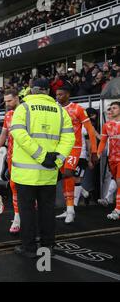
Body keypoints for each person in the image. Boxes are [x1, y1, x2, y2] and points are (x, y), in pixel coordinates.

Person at [10, 79, 75, 258]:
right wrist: (56, 161)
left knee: (27, 211)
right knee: (47, 211)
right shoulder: (60, 111)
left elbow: (18, 133)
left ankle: (29, 248)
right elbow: (69, 139)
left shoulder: (23, 108)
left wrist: (40, 156)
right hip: (49, 172)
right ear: (48, 91)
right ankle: (48, 246)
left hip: (25, 173)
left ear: (32, 90)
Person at [55, 86, 98, 223]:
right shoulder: (55, 108)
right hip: (59, 148)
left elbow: (90, 131)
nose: (58, 97)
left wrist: (94, 151)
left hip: (74, 147)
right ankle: (69, 209)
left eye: (61, 94)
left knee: (68, 174)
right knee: (65, 178)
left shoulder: (78, 109)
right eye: (57, 94)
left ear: (68, 94)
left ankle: (71, 210)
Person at [0, 89, 21, 234]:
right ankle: (17, 218)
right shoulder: (8, 115)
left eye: (9, 100)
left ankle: (25, 216)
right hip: (11, 156)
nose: (7, 103)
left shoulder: (25, 111)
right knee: (13, 186)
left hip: (26, 157)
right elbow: (4, 133)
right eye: (5, 101)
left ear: (17, 98)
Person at [97, 101, 120, 220]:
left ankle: (117, 210)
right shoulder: (107, 125)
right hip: (112, 159)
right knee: (116, 182)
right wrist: (99, 153)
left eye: (114, 108)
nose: (111, 110)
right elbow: (103, 141)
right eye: (110, 108)